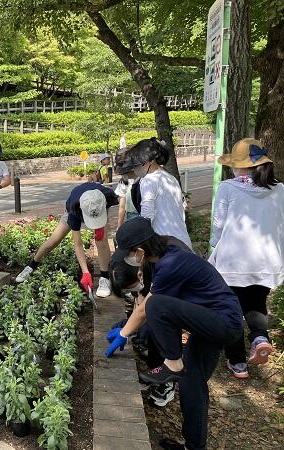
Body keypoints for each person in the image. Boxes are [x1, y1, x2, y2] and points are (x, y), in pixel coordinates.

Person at [106, 217, 243, 450]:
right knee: (192, 385)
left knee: (156, 305)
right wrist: (127, 328)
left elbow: (150, 308)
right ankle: (194, 446)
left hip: (223, 322)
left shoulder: (172, 263)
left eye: (129, 253)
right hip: (208, 326)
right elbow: (147, 307)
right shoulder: (160, 258)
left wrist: (125, 333)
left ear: (139, 251)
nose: (129, 259)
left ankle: (172, 363)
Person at [208, 138, 284, 379]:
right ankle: (260, 337)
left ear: (239, 166)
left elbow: (218, 226)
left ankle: (237, 362)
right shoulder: (279, 189)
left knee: (231, 310)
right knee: (256, 303)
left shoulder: (228, 188)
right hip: (266, 261)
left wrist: (213, 251)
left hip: (233, 262)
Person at [15, 182, 119, 298]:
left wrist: (100, 227)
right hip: (76, 208)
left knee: (101, 240)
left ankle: (105, 278)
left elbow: (105, 210)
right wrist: (85, 272)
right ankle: (31, 266)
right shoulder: (74, 210)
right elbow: (78, 244)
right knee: (54, 240)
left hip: (98, 208)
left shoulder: (107, 196)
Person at [120, 138, 192, 250]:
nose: (135, 168)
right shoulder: (169, 177)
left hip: (166, 244)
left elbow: (146, 218)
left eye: (138, 164)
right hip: (182, 240)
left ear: (150, 161)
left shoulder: (148, 180)